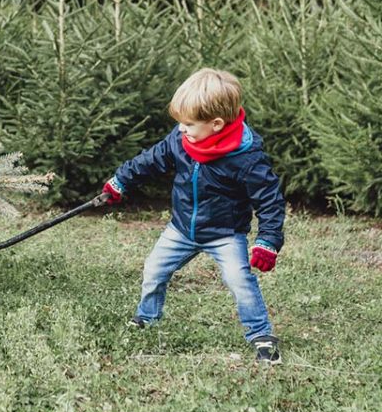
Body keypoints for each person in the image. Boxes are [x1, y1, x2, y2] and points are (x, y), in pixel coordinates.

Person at [102, 68, 285, 365]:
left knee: (240, 280)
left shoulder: (246, 157)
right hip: (181, 229)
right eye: (180, 123)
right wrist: (122, 180)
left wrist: (268, 240)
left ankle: (261, 334)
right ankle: (147, 317)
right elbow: (151, 158)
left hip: (225, 233)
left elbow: (270, 200)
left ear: (216, 124)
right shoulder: (181, 139)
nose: (182, 129)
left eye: (189, 124)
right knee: (153, 271)